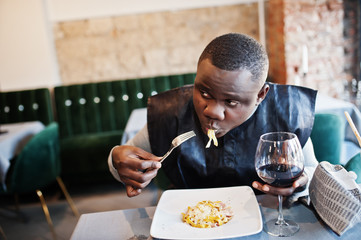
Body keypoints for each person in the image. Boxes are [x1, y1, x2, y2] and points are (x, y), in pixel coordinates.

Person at [108, 33, 318, 199]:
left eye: (231, 102)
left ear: (260, 95)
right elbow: (124, 163)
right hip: (189, 221)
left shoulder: (285, 112)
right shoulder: (170, 112)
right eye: (204, 93)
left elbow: (310, 170)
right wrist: (117, 160)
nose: (211, 111)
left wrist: (301, 183)